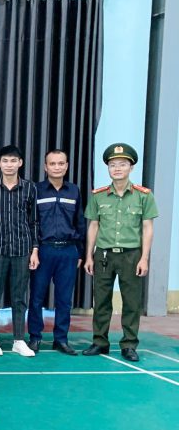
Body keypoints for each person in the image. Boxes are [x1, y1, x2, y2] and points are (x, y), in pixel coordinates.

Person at [82, 143, 159, 362]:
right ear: (108, 168)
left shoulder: (143, 196)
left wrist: (144, 258)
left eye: (122, 164)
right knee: (101, 301)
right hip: (104, 255)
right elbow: (93, 226)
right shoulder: (98, 196)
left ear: (131, 168)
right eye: (113, 165)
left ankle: (129, 344)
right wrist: (89, 255)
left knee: (131, 302)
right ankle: (100, 342)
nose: (117, 168)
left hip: (131, 255)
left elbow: (147, 228)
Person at [0, 145, 39, 357]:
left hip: (22, 249)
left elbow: (34, 221)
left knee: (19, 297)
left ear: (20, 163)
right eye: (5, 161)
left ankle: (18, 340)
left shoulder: (30, 188)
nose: (9, 165)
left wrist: (35, 249)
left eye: (13, 161)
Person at [27, 149, 85, 355]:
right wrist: (33, 250)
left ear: (67, 166)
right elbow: (31, 222)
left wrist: (80, 252)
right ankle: (35, 337)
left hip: (68, 251)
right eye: (52, 164)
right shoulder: (36, 190)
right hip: (43, 250)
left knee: (64, 299)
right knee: (36, 297)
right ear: (45, 167)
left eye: (61, 163)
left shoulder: (74, 191)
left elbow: (80, 222)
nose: (57, 167)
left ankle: (61, 339)